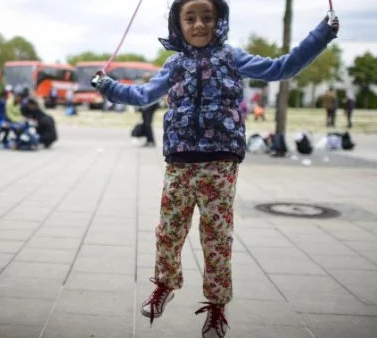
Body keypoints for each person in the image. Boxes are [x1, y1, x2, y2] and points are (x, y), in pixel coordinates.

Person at [92, 1, 339, 336]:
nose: (199, 25)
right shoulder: (174, 64)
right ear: (177, 24)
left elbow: (282, 68)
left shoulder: (232, 57)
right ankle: (165, 284)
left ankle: (217, 306)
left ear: (219, 22)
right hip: (179, 161)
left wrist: (322, 34)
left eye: (207, 18)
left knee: (216, 238)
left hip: (220, 163)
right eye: (190, 18)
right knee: (168, 231)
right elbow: (143, 94)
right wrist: (108, 86)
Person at [138, 73, 160, 147]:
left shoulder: (151, 86)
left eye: (146, 77)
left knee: (147, 124)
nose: (145, 79)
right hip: (145, 108)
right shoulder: (145, 85)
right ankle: (148, 140)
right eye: (144, 77)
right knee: (146, 124)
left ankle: (151, 141)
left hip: (150, 108)